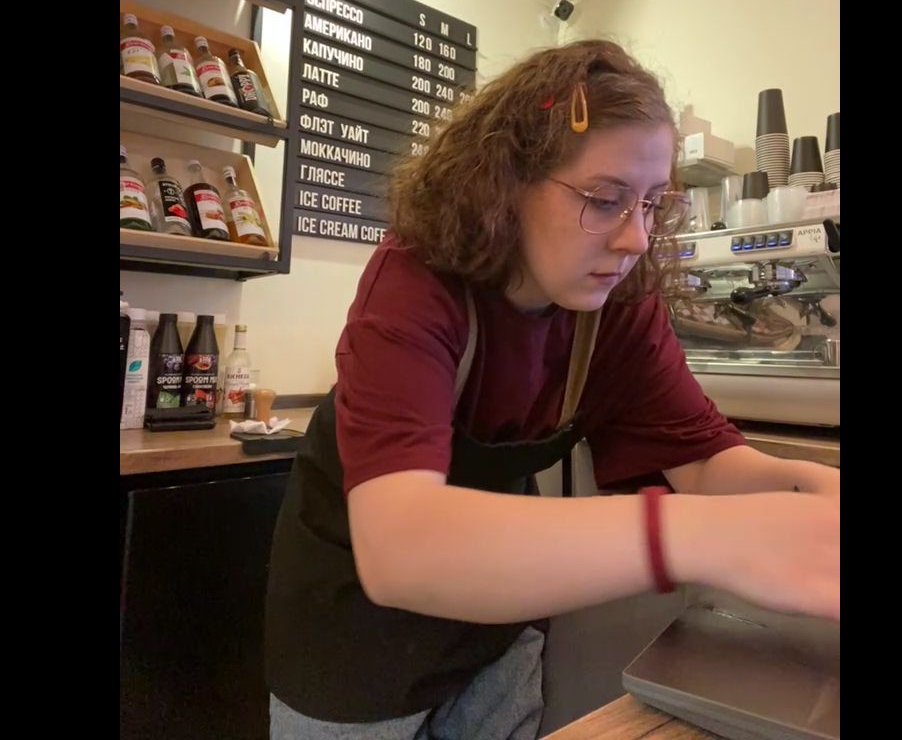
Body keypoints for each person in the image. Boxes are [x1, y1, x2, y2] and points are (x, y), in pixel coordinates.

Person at [265, 40, 840, 739]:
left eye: (651, 204)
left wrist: (806, 491)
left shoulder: (615, 307)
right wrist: (701, 537)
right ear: (505, 184)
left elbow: (703, 461)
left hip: (497, 619)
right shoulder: (415, 280)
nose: (636, 239)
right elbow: (401, 548)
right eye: (606, 200)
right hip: (354, 633)